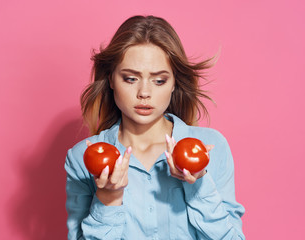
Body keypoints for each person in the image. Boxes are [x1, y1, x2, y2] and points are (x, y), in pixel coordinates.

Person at [65, 15, 245, 240]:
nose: (144, 93)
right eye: (130, 78)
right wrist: (108, 199)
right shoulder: (82, 158)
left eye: (159, 80)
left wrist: (198, 187)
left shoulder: (210, 149)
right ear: (111, 79)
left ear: (173, 84)